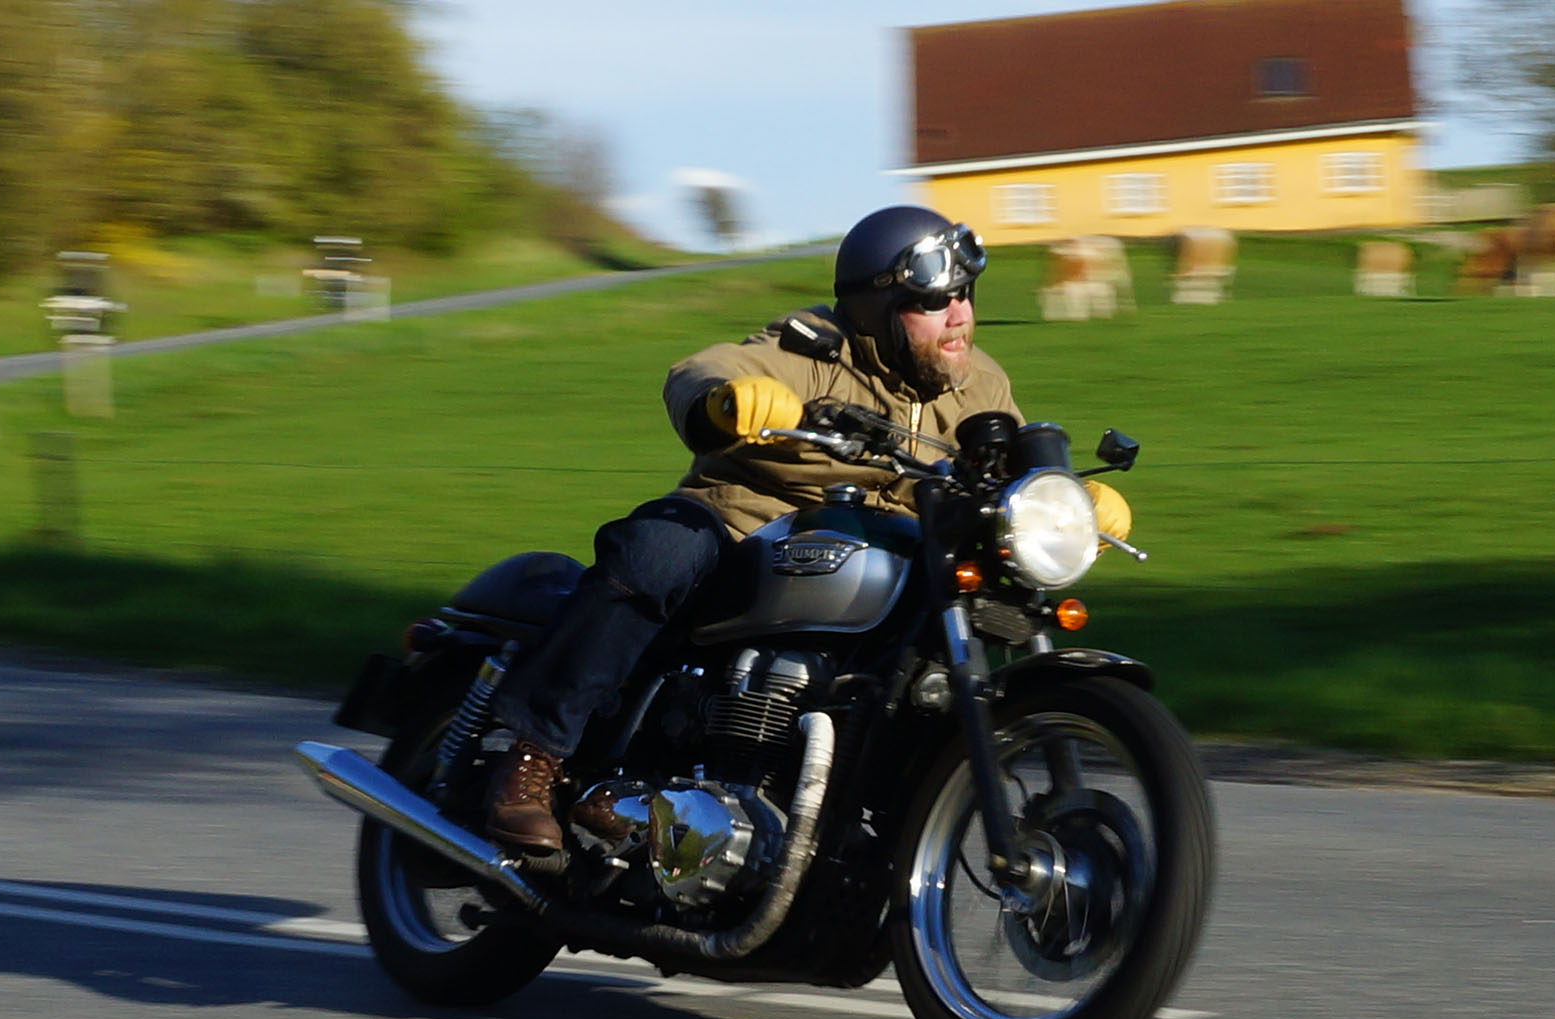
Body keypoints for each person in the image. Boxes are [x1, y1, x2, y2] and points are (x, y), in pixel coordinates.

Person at [482, 205, 1130, 852]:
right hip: (746, 524)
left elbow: (1003, 473)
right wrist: (726, 400)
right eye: (935, 301)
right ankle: (535, 755)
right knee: (657, 553)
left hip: (894, 555)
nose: (959, 314)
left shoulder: (980, 383)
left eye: (965, 295)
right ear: (877, 309)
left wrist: (1066, 504)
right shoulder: (813, 348)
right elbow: (698, 371)